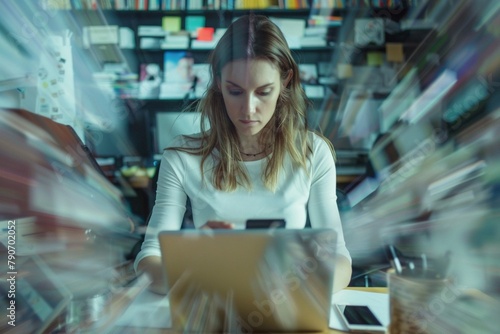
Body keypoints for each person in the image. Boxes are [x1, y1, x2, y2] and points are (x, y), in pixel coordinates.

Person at [135, 14, 352, 294]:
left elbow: (340, 258)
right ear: (217, 82)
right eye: (235, 91)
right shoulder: (182, 157)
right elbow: (148, 259)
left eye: (263, 92)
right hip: (212, 299)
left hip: (284, 303)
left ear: (286, 80)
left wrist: (305, 288)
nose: (248, 110)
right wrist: (192, 269)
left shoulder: (312, 152)